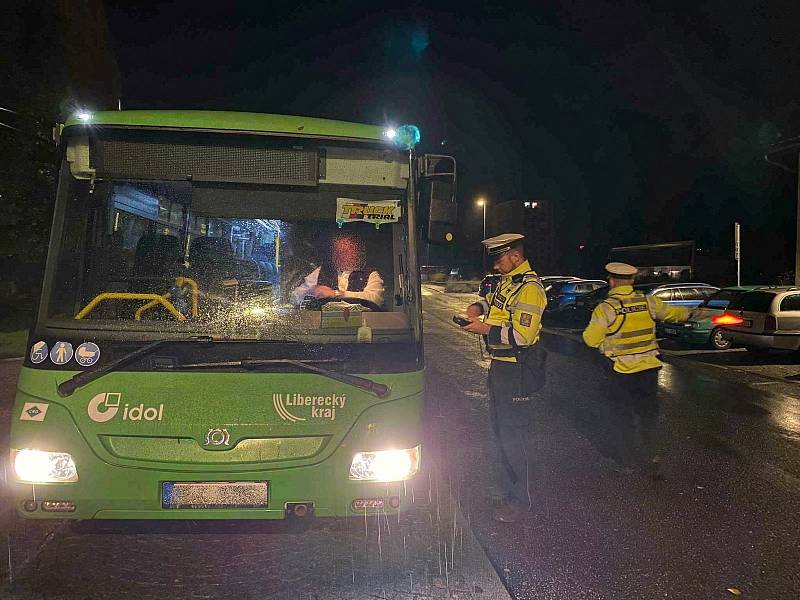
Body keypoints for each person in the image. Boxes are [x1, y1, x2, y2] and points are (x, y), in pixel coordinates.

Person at [460, 233, 548, 523]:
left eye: (499, 260)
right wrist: (477, 309)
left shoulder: (530, 289)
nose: (496, 267)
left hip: (516, 370)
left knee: (513, 436)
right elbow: (493, 303)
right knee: (500, 432)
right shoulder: (510, 283)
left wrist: (483, 330)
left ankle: (520, 501)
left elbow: (522, 336)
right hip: (501, 368)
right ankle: (510, 491)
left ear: (516, 256)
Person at [581, 262, 691, 478]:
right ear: (632, 280)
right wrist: (694, 313)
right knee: (647, 415)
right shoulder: (648, 302)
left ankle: (628, 461)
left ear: (611, 281)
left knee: (622, 417)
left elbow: (590, 339)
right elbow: (676, 314)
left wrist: (606, 345)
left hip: (620, 372)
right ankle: (650, 457)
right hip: (649, 371)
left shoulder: (607, 308)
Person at [291, 234, 385, 306]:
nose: (340, 255)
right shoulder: (322, 271)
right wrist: (312, 291)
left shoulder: (369, 274)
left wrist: (337, 294)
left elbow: (376, 299)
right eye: (337, 251)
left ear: (357, 253)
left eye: (346, 251)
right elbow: (294, 297)